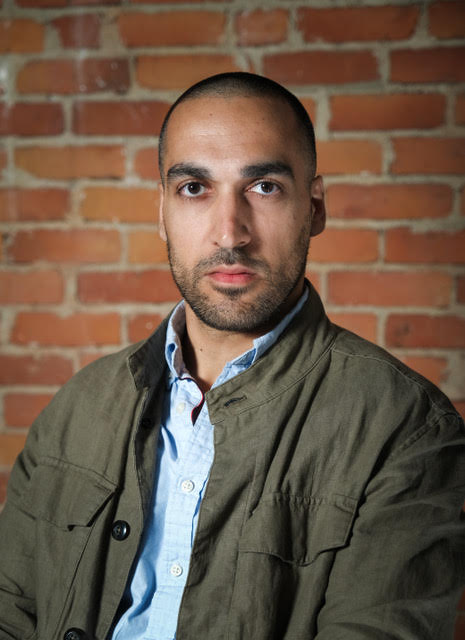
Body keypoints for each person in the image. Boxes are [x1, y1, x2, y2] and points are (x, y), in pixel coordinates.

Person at [0, 72, 464, 640]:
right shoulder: (77, 408)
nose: (230, 233)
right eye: (194, 188)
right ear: (162, 212)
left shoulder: (406, 428)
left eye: (264, 186)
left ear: (315, 207)